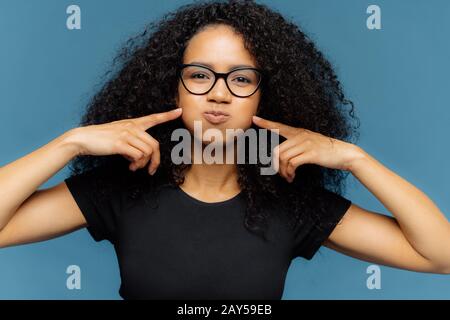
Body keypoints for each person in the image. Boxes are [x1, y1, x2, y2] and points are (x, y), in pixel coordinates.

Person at [0, 0, 449, 300]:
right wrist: (69, 142)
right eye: (200, 75)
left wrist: (356, 158)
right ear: (173, 89)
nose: (218, 94)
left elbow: (440, 256)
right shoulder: (117, 190)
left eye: (241, 78)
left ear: (263, 98)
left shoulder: (292, 205)